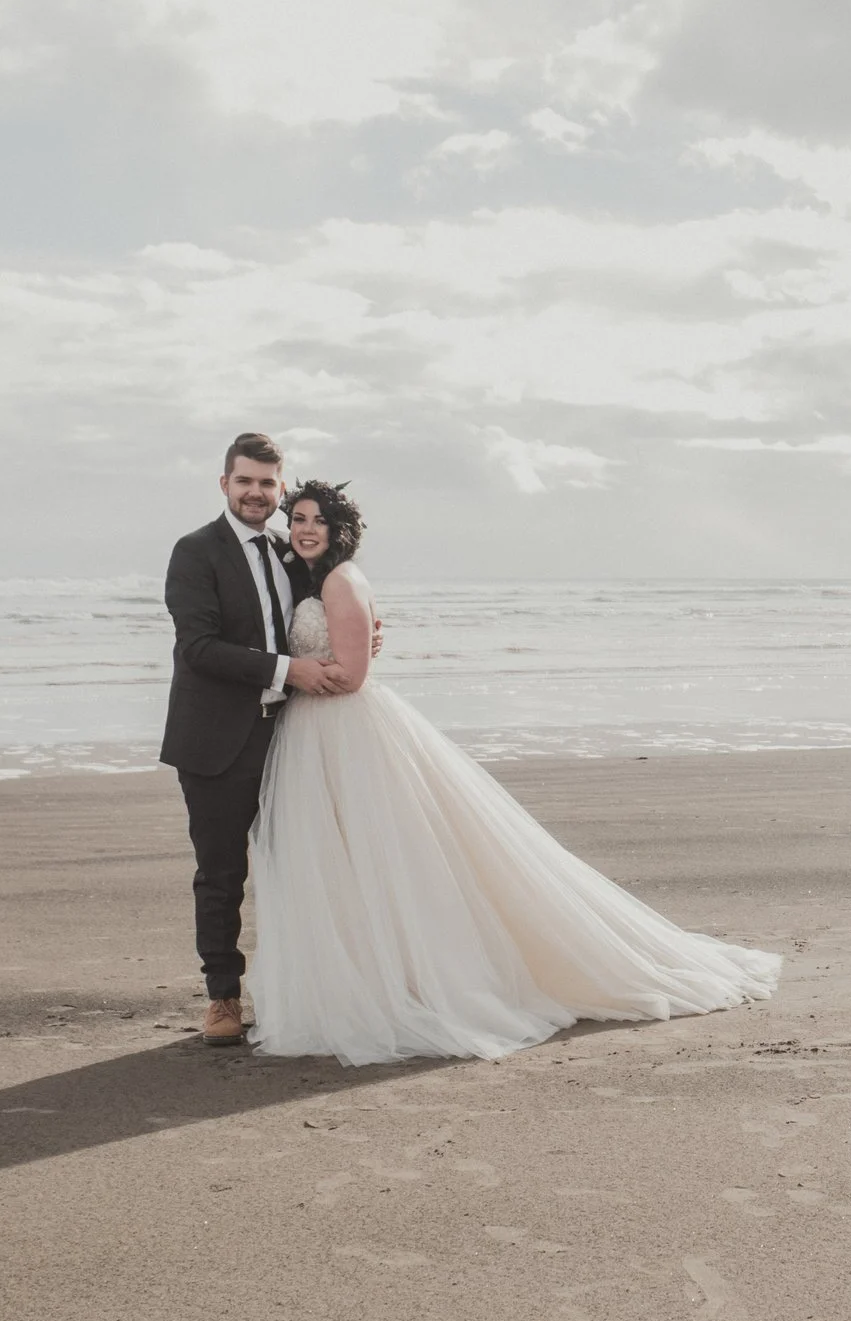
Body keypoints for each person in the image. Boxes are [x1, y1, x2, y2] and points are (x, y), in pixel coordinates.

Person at [245, 480, 780, 1063]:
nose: (305, 529)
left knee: (383, 861)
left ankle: (411, 983)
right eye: (297, 518)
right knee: (343, 866)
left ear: (339, 528)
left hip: (341, 730)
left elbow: (352, 676)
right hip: (315, 734)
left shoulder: (342, 581)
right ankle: (364, 977)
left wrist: (293, 671)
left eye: (317, 520)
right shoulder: (313, 578)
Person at [159, 432, 342, 1047]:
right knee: (221, 873)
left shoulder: (294, 554)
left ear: (280, 488)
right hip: (214, 739)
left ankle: (305, 988)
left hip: (290, 735)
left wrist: (365, 633)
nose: (256, 493)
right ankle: (223, 999)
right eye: (245, 482)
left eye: (268, 483)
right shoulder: (195, 552)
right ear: (225, 485)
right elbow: (198, 647)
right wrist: (289, 670)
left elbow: (329, 604)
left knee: (300, 867)